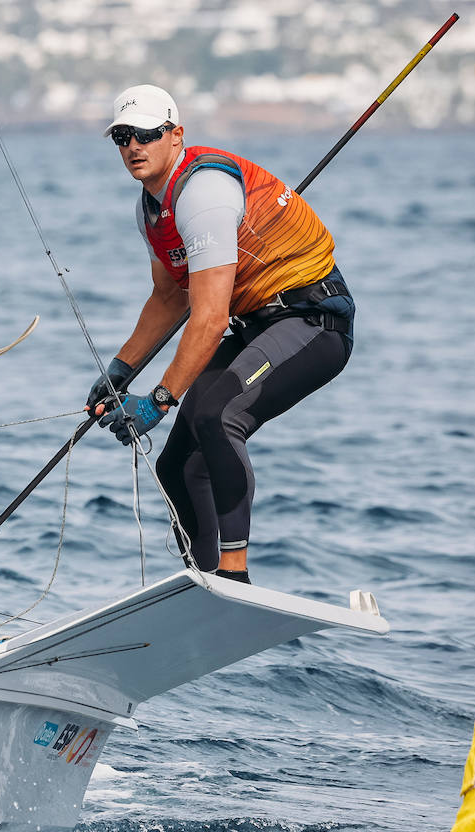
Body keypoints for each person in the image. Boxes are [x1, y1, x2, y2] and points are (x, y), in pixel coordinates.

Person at [86, 85, 355, 584]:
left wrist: (159, 400)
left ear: (176, 135)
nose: (133, 146)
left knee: (218, 415)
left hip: (312, 321)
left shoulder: (203, 192)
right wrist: (121, 370)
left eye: (146, 133)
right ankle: (203, 580)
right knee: (177, 465)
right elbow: (170, 297)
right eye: (123, 137)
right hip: (255, 325)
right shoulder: (150, 210)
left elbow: (209, 320)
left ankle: (234, 576)